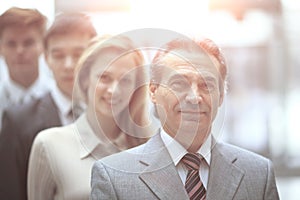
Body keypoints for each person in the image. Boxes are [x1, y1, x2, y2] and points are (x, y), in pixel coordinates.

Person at [90, 36, 280, 200]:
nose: (194, 97)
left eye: (207, 85)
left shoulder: (258, 174)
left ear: (221, 96)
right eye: (179, 84)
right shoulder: (114, 176)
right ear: (153, 91)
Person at [27, 35, 157, 200]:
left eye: (125, 80)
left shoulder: (151, 147)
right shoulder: (49, 144)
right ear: (85, 79)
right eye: (104, 77)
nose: (113, 90)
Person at [0, 12, 97, 200]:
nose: (68, 65)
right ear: (46, 58)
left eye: (78, 54)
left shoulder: (111, 114)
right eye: (58, 55)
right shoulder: (18, 121)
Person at [0, 7, 49, 129]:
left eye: (28, 43)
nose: (20, 51)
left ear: (43, 46)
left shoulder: (60, 100)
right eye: (11, 44)